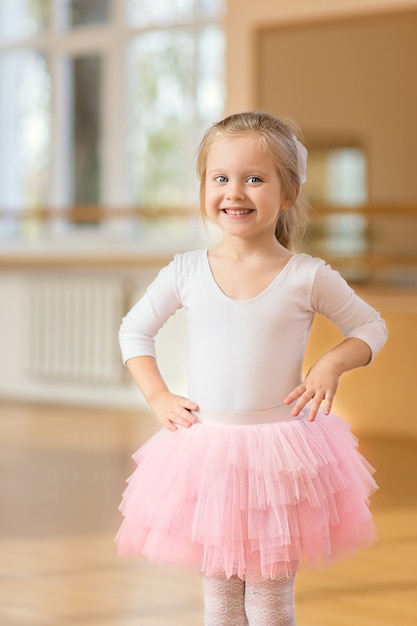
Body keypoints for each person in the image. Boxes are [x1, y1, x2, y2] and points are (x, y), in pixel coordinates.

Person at [116, 111, 387, 625]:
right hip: (207, 454)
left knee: (269, 601)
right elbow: (134, 330)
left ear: (289, 192)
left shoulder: (307, 276)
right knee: (219, 601)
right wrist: (158, 396)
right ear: (204, 188)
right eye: (220, 178)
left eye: (254, 178)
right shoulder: (187, 270)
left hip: (280, 457)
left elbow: (371, 327)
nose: (234, 192)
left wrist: (332, 362)